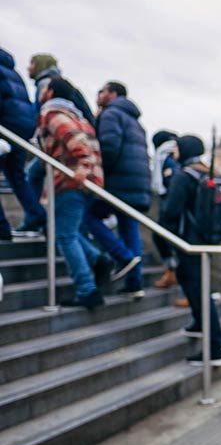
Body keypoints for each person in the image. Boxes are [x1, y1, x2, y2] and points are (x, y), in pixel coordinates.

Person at [35, 77, 105, 309]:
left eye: (44, 88)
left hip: (70, 181)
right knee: (65, 232)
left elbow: (79, 144)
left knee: (64, 236)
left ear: (50, 92)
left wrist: (83, 167)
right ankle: (97, 259)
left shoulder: (53, 113)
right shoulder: (78, 116)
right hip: (83, 183)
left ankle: (87, 290)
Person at [160, 135, 221, 366]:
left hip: (188, 241)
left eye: (177, 148)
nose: (174, 153)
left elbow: (170, 213)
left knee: (200, 292)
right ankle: (199, 323)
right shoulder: (206, 173)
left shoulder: (183, 176)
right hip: (205, 240)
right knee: (192, 284)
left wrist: (166, 242)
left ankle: (215, 349)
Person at [82, 81, 150, 298]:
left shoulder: (111, 114)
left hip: (117, 182)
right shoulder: (135, 122)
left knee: (87, 217)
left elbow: (109, 148)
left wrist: (99, 175)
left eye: (102, 91)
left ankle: (121, 256)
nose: (98, 95)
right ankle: (135, 283)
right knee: (129, 227)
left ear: (112, 94)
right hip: (137, 185)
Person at [18, 53, 95, 233]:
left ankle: (36, 218)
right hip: (69, 146)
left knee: (33, 175)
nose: (29, 68)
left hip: (63, 148)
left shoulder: (48, 86)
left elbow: (43, 119)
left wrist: (83, 164)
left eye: (32, 63)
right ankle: (41, 219)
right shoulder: (62, 83)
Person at [0, 48, 45, 240]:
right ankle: (39, 216)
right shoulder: (14, 73)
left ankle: (2, 229)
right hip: (21, 131)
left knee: (16, 176)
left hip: (5, 127)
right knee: (17, 176)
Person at [150, 129, 180, 290]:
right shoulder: (171, 156)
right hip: (170, 207)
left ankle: (171, 272)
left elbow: (170, 183)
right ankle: (171, 272)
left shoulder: (166, 158)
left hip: (170, 208)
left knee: (161, 238)